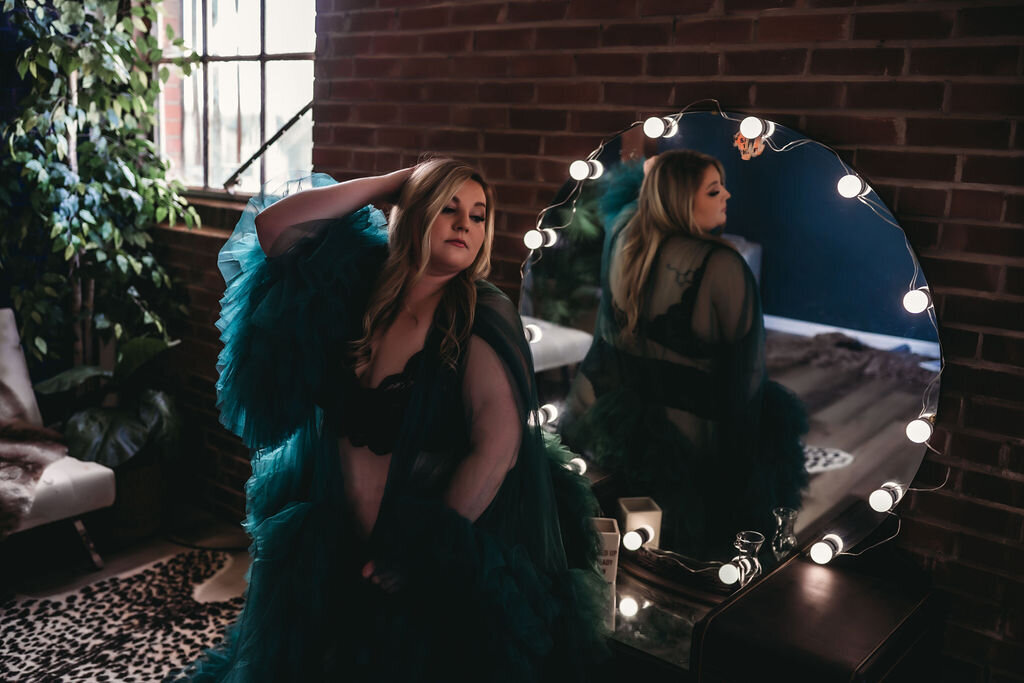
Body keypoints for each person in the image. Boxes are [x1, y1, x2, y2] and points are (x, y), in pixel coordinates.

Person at [182, 159, 607, 682]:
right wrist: (395, 184)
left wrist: (418, 555)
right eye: (447, 208)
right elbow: (274, 229)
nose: (464, 225)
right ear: (414, 213)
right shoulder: (360, 284)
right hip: (333, 537)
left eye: (478, 216)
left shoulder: (478, 312)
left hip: (429, 553)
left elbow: (497, 448)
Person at [561, 150, 808, 559]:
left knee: (613, 536)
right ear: (678, 199)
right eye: (714, 189)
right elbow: (744, 382)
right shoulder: (722, 265)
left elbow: (631, 195)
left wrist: (654, 171)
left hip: (605, 416)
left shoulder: (624, 230)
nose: (728, 195)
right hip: (686, 442)